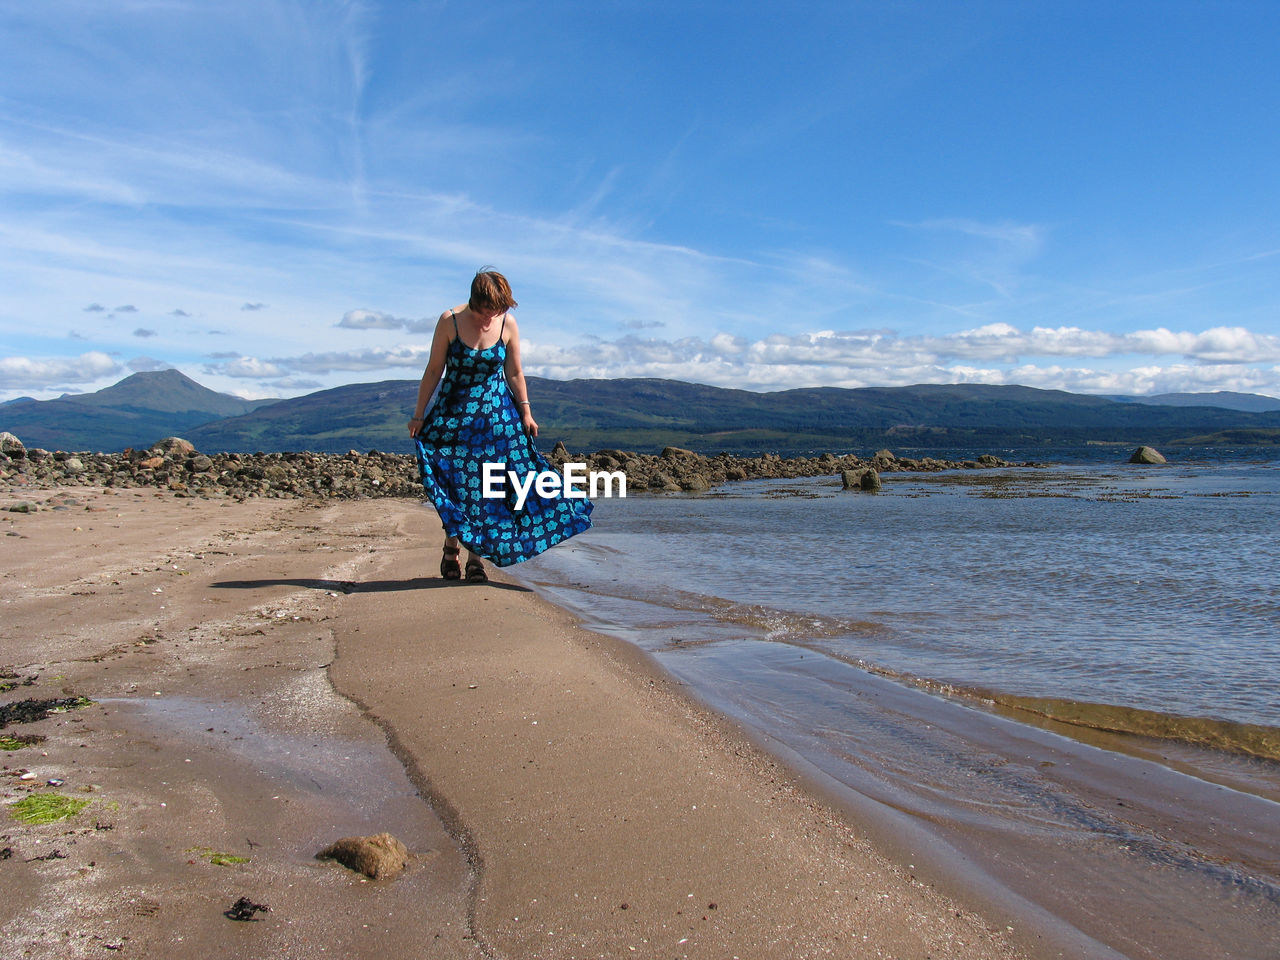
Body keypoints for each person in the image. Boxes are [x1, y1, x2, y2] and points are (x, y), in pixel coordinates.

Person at [407, 269, 592, 581]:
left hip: (497, 425)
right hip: (453, 422)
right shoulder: (449, 321)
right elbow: (434, 369)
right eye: (488, 310)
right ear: (475, 301)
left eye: (499, 309)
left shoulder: (507, 324)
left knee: (490, 490)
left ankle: (475, 560)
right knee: (456, 487)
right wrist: (418, 414)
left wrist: (526, 412)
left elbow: (515, 372)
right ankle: (450, 547)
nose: (492, 317)